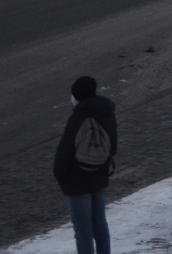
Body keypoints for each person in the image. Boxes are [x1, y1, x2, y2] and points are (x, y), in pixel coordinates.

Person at [54, 76, 117, 254]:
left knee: (83, 231)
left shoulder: (78, 117)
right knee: (100, 225)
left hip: (77, 181)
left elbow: (65, 151)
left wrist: (60, 175)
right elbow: (113, 146)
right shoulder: (107, 112)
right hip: (99, 176)